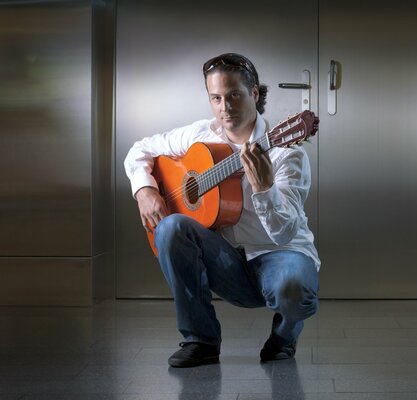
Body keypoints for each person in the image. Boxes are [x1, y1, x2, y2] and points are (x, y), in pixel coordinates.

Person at [124, 53, 320, 368]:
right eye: (215, 98)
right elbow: (140, 150)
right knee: (171, 228)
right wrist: (144, 189)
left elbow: (284, 233)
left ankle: (284, 338)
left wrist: (263, 188)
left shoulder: (286, 155)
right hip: (226, 260)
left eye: (234, 95)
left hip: (278, 255)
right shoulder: (200, 134)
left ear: (255, 93)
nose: (224, 107)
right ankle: (200, 342)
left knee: (294, 287)